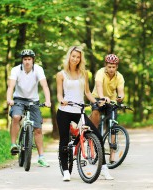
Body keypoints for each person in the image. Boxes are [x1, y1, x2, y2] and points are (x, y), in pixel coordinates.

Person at [56, 46, 114, 181]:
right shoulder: (61, 74)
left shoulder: (84, 73)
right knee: (64, 142)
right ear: (69, 56)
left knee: (97, 136)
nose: (75, 59)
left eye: (78, 57)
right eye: (73, 56)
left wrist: (96, 102)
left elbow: (87, 92)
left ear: (80, 59)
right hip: (65, 111)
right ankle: (66, 171)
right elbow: (59, 94)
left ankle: (104, 169)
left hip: (79, 111)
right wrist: (62, 100)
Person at [6, 49, 51, 167]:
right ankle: (13, 144)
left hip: (33, 101)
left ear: (33, 60)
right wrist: (9, 99)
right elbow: (11, 87)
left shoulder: (38, 69)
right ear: (22, 60)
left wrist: (48, 100)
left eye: (29, 59)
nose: (27, 62)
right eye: (25, 59)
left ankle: (41, 157)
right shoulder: (15, 70)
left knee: (38, 129)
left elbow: (45, 86)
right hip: (18, 100)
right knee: (16, 117)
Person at [90, 53, 125, 163]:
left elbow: (121, 92)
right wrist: (102, 97)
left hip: (112, 101)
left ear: (116, 67)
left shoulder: (119, 76)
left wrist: (120, 97)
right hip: (97, 98)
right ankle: (93, 142)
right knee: (96, 120)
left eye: (113, 67)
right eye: (109, 66)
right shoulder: (100, 73)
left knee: (112, 125)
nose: (111, 69)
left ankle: (112, 154)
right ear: (105, 65)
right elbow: (99, 86)